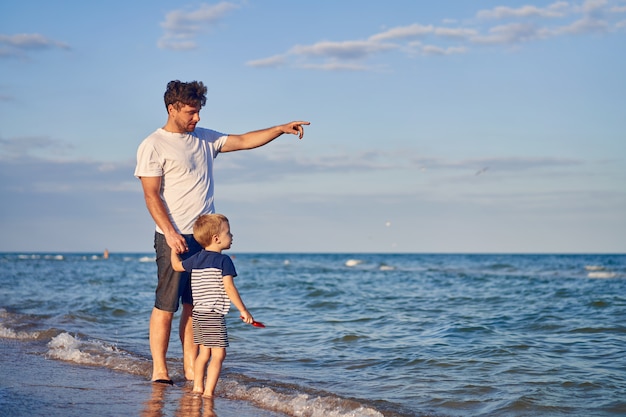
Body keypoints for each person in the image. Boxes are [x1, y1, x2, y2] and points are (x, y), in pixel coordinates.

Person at [134, 80, 309, 384]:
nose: (197, 118)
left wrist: (279, 129)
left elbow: (243, 140)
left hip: (204, 238)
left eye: (199, 111)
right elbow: (152, 195)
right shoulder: (153, 144)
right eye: (191, 112)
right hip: (173, 236)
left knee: (195, 304)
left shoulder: (205, 139)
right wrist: (170, 233)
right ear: (172, 108)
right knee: (167, 304)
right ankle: (159, 369)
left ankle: (191, 368)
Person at [170, 213, 251, 398]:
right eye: (228, 233)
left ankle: (198, 387)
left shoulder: (197, 259)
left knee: (204, 353)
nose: (232, 236)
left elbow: (176, 266)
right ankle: (208, 393)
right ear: (216, 238)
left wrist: (173, 249)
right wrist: (243, 310)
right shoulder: (224, 261)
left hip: (198, 314)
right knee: (219, 355)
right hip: (213, 314)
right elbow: (229, 287)